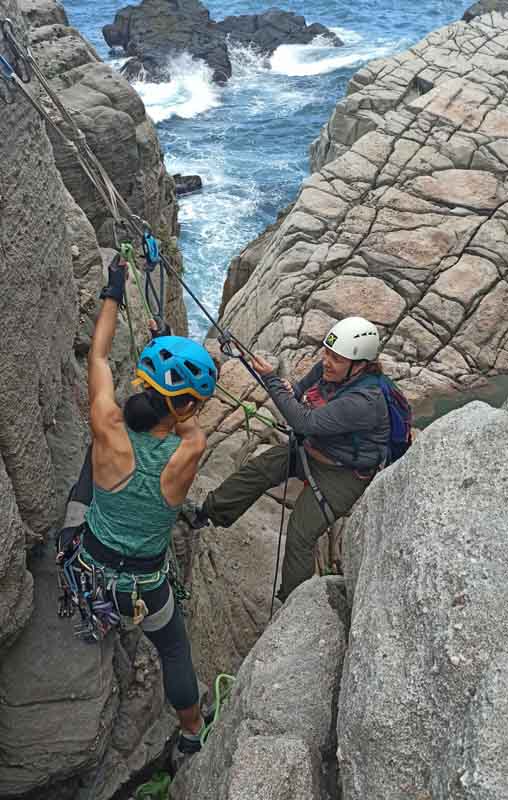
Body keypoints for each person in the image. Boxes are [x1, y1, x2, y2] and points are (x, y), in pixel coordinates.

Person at [78, 254, 217, 759]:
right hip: (144, 585)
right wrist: (177, 401)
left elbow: (97, 356)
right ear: (186, 407)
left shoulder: (106, 423)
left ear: (141, 384)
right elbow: (185, 422)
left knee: (87, 474)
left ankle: (94, 617)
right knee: (174, 648)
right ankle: (189, 735)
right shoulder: (188, 451)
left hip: (89, 569)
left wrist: (114, 291)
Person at [186, 316, 391, 602]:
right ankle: (205, 514)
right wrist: (281, 385)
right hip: (312, 449)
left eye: (337, 358)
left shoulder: (365, 401)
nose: (327, 361)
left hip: (342, 474)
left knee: (300, 536)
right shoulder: (329, 370)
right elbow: (299, 393)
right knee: (258, 471)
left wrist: (271, 381)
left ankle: (292, 603)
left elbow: (302, 421)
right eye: (327, 353)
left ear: (360, 366)